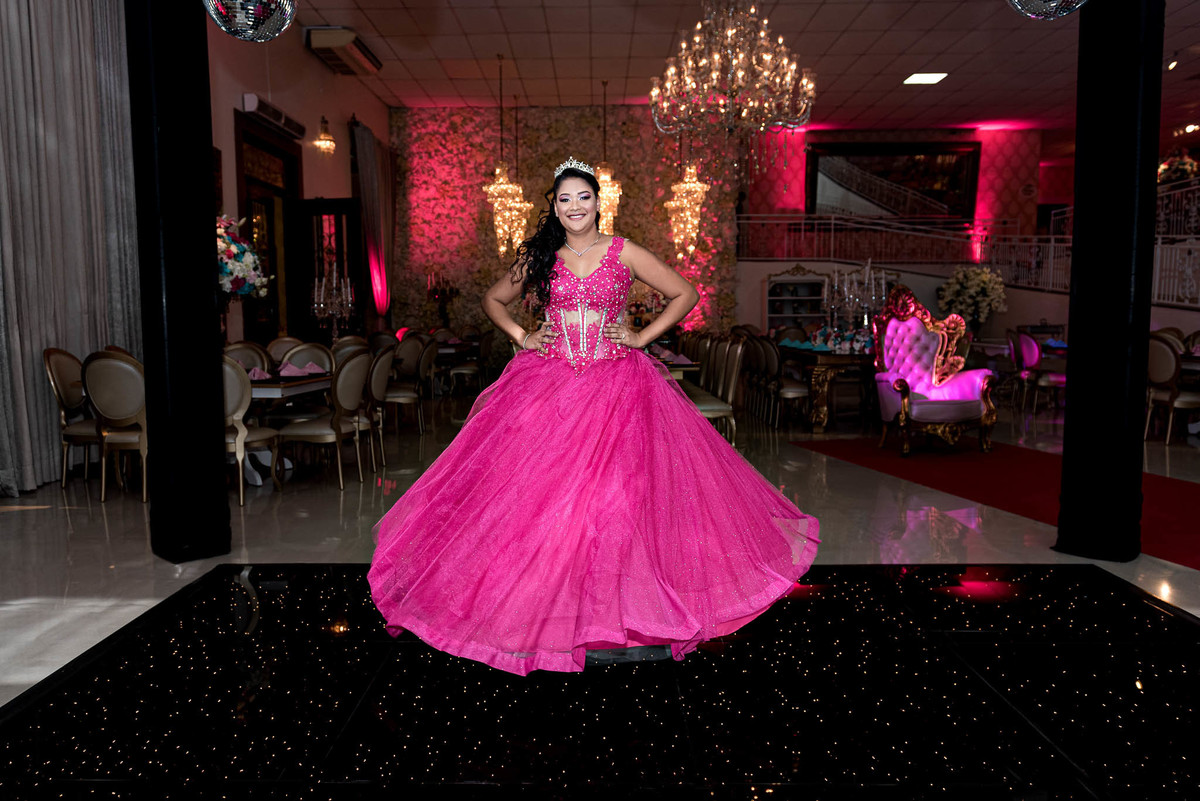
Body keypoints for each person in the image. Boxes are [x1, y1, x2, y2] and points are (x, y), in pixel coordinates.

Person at [368, 156, 820, 675]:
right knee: (541, 497)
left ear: (598, 203)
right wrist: (522, 336)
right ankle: (546, 601)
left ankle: (615, 602)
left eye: (583, 197)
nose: (574, 206)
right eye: (564, 199)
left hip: (617, 384)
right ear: (554, 208)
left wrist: (642, 338)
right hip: (548, 383)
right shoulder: (541, 257)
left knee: (615, 498)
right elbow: (493, 299)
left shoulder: (623, 251)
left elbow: (684, 294)